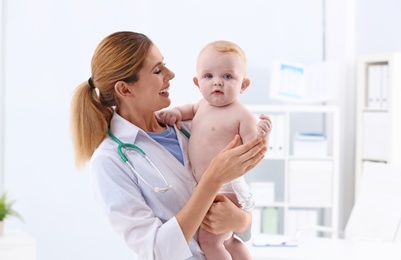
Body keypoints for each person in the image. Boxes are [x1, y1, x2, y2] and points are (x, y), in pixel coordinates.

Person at [70, 31, 268, 260]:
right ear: (125, 89)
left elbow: (239, 197)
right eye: (157, 70)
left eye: (165, 65)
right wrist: (212, 179)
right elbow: (156, 250)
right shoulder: (110, 161)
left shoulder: (190, 125)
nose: (171, 74)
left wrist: (241, 220)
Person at [158, 40, 272, 260]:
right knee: (227, 240)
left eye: (228, 76)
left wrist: (263, 135)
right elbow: (187, 110)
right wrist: (175, 113)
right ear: (197, 82)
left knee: (210, 241)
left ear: (244, 85)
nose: (217, 82)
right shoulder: (200, 105)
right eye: (208, 76)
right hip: (211, 186)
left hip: (228, 187)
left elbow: (254, 150)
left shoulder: (242, 114)